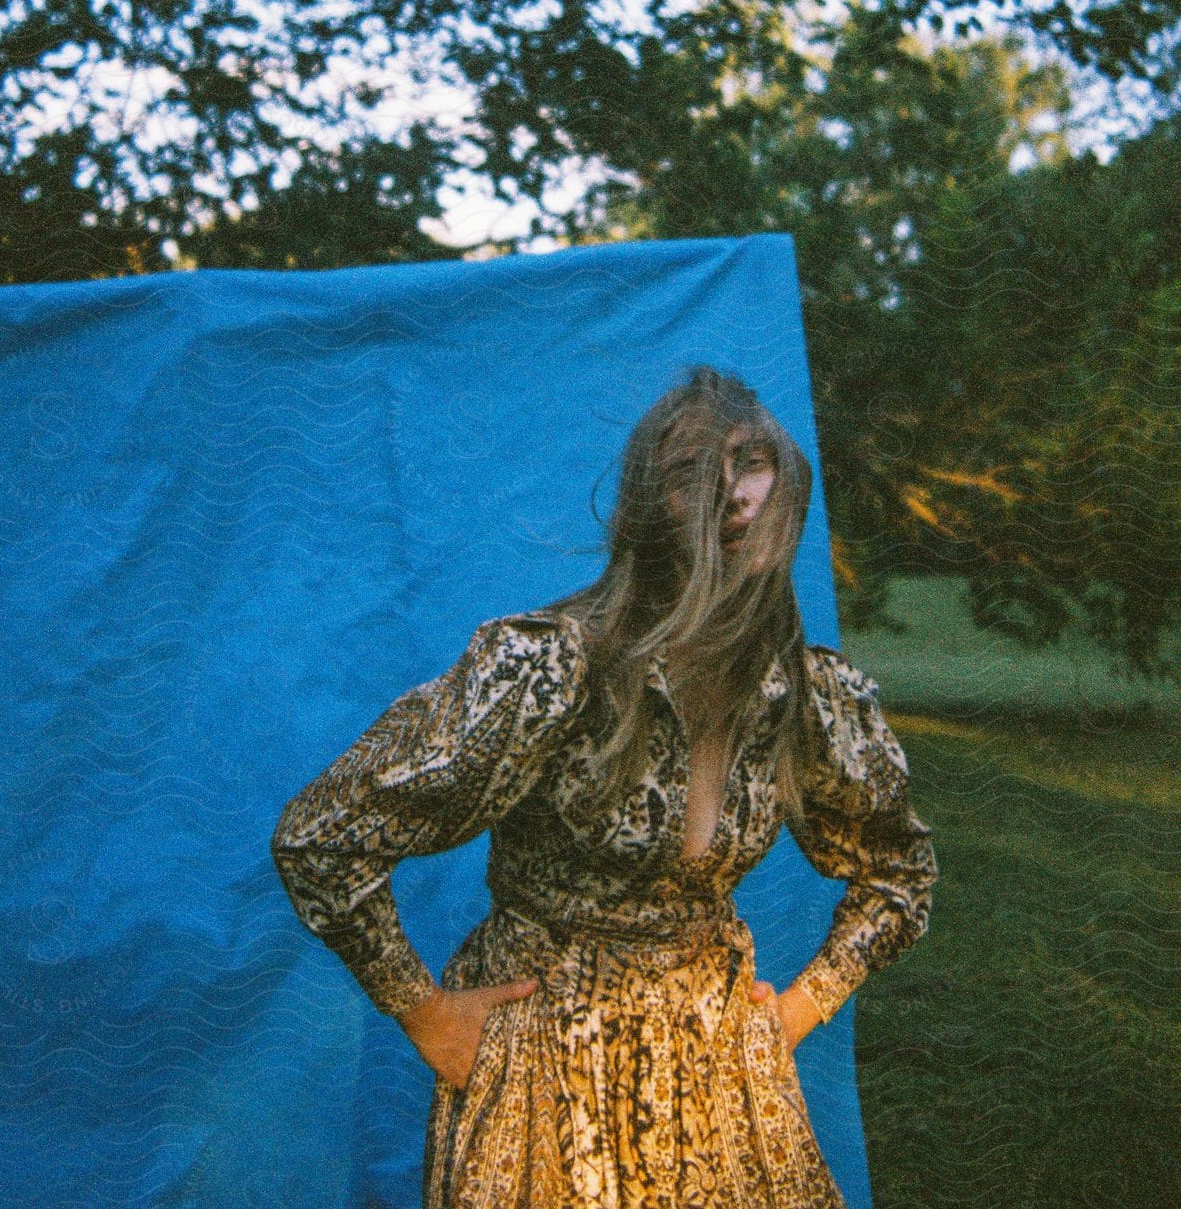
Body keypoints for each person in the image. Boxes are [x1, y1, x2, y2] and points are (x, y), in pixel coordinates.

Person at [271, 365, 938, 1207]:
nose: (732, 496)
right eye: (695, 472)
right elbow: (323, 834)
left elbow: (900, 871)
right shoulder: (550, 669)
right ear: (648, 504)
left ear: (787, 487)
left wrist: (803, 1006)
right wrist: (424, 1011)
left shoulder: (806, 698)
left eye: (753, 462)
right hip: (545, 1072)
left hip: (721, 1074)